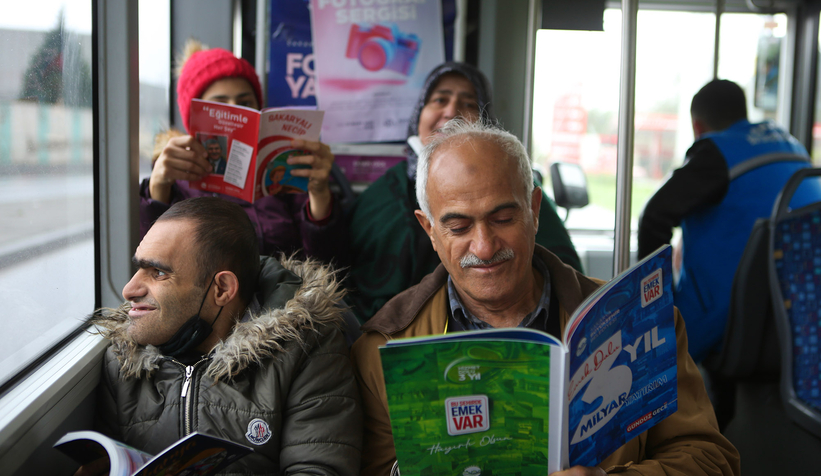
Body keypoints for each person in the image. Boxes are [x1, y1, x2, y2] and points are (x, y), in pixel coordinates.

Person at [350, 119, 740, 476]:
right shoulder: (384, 350)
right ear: (429, 229)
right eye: (458, 226)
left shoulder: (639, 318)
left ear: (535, 210)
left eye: (503, 219)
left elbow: (711, 458)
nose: (484, 247)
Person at [83, 197, 361, 475]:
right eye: (138, 268)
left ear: (222, 289)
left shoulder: (307, 346)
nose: (128, 290)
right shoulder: (122, 358)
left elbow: (320, 469)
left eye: (157, 272)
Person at [346, 62, 582, 322]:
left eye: (468, 103)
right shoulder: (380, 196)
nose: (451, 112)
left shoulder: (517, 188)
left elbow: (566, 283)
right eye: (439, 100)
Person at [637, 79, 821, 364]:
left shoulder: (715, 154)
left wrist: (658, 307)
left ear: (698, 128)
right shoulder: (793, 147)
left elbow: (653, 217)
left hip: (733, 322)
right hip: (803, 317)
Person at [142, 40, 347, 265]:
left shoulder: (282, 163)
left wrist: (319, 194)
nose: (236, 111)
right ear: (194, 116)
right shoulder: (175, 173)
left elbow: (325, 262)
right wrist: (158, 187)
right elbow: (154, 264)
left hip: (285, 291)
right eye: (220, 105)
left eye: (245, 103)